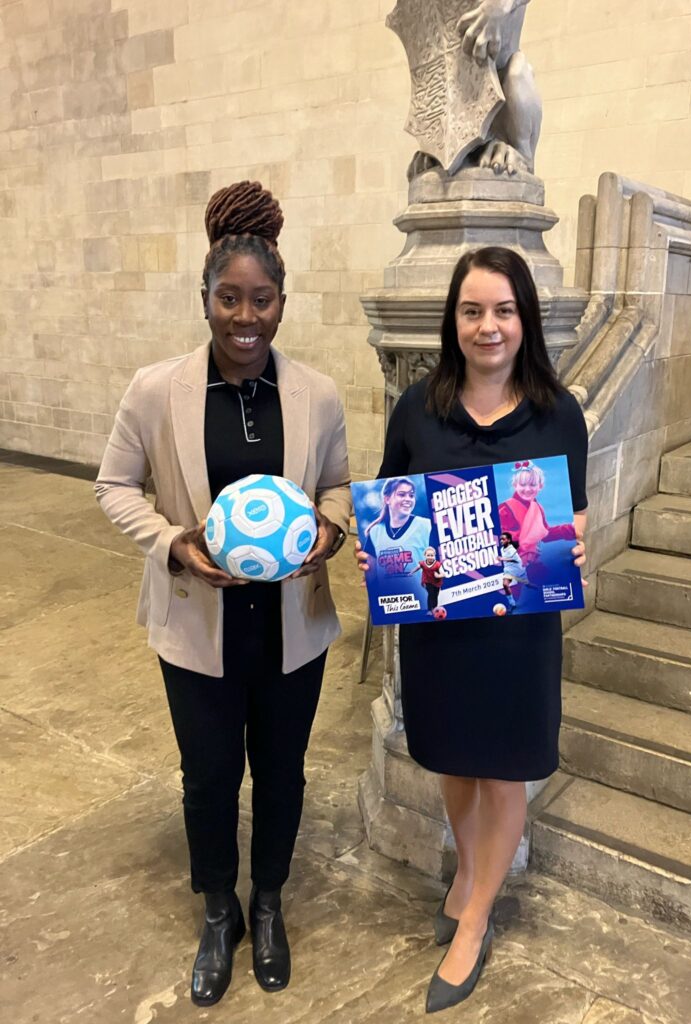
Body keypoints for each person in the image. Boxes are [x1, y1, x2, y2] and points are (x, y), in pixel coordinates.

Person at [95, 181, 351, 1007]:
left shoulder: (317, 392)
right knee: (207, 777)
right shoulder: (154, 389)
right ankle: (218, 912)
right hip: (197, 623)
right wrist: (173, 542)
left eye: (262, 301)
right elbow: (114, 485)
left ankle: (268, 903)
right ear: (205, 298)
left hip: (290, 629)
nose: (246, 317)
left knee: (281, 774)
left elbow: (341, 486)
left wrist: (332, 531)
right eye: (229, 298)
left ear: (283, 304)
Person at [356, 246, 587, 1013]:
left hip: (517, 636)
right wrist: (376, 549)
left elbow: (572, 515)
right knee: (454, 761)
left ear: (525, 320)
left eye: (504, 311)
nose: (488, 327)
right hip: (441, 633)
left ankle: (477, 915)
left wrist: (575, 539)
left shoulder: (560, 414)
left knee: (504, 770)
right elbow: (393, 509)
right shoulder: (416, 409)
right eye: (472, 311)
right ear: (452, 319)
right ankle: (466, 871)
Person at [362, 476, 433, 584]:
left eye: (411, 495)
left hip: (422, 599)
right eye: (401, 494)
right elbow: (370, 578)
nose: (408, 499)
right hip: (387, 599)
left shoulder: (427, 526)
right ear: (387, 499)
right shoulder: (375, 532)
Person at [497, 531, 528, 608]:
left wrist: (502, 558)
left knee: (529, 585)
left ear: (508, 540)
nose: (501, 541)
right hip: (508, 571)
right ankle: (512, 603)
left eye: (503, 539)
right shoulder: (502, 549)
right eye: (500, 539)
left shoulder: (512, 549)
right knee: (505, 584)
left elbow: (513, 559)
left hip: (518, 570)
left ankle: (538, 589)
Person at [410, 546, 445, 614]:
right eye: (428, 555)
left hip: (436, 582)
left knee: (435, 595)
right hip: (427, 581)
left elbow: (443, 574)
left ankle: (435, 608)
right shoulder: (423, 563)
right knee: (430, 594)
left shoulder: (437, 564)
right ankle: (429, 610)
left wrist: (438, 575)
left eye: (432, 555)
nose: (430, 557)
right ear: (425, 555)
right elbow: (417, 568)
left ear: (434, 556)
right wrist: (412, 572)